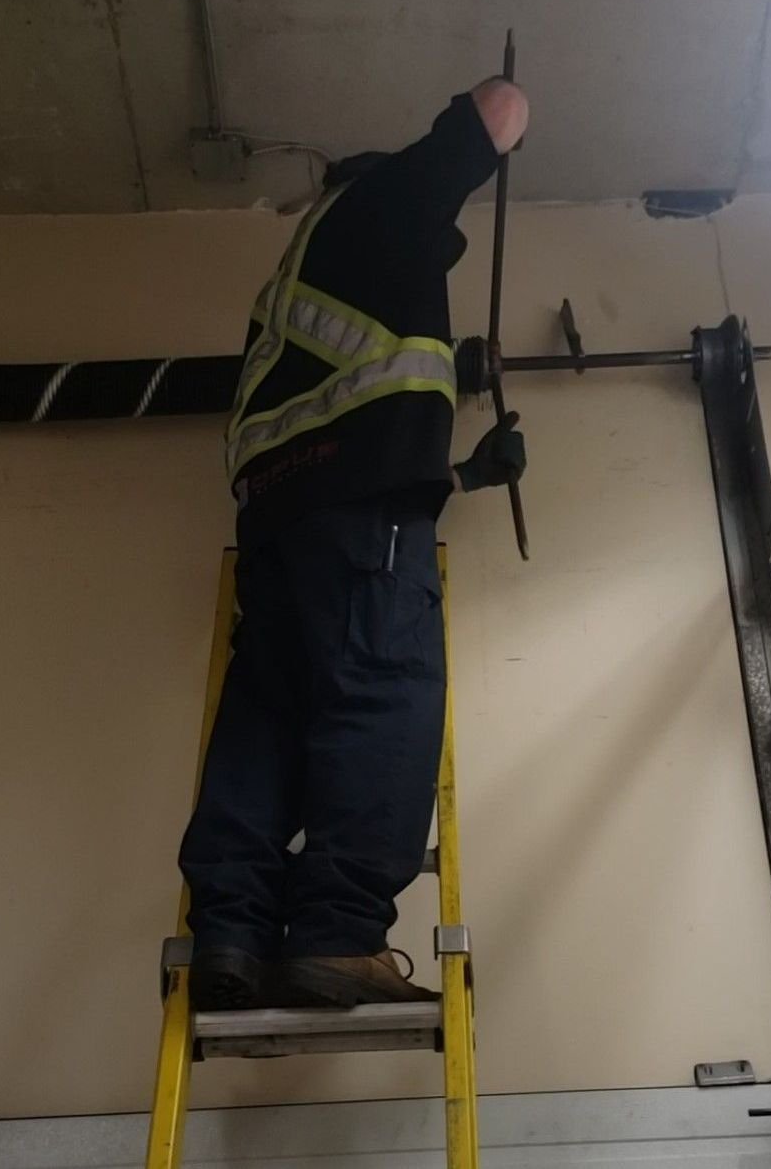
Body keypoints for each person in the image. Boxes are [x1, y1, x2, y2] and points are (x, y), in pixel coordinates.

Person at [178, 77, 530, 1011]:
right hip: (351, 531)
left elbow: (347, 440)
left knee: (269, 723)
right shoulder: (381, 204)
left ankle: (233, 931)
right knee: (382, 696)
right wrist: (502, 113)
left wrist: (465, 476)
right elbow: (496, 113)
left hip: (284, 530)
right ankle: (334, 934)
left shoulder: (290, 293)